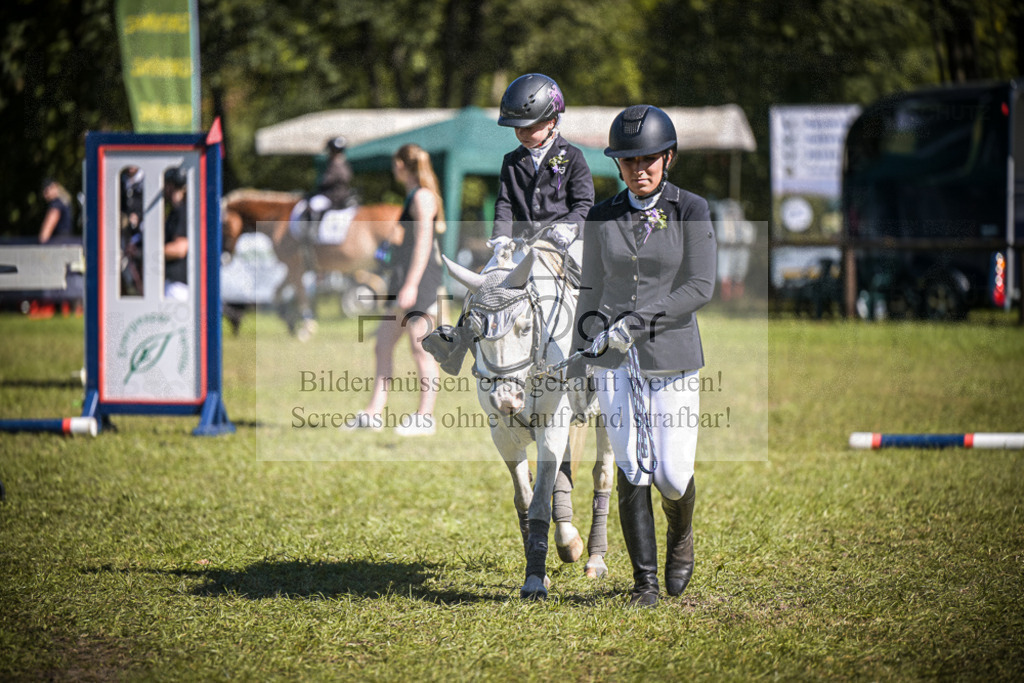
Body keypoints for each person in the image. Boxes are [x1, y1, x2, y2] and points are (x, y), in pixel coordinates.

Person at [569, 104, 717, 607]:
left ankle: (681, 532)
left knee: (672, 474)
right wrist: (580, 353)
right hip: (613, 361)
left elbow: (700, 285)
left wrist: (632, 325)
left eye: (649, 158)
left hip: (672, 354)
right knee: (632, 465)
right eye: (629, 161)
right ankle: (645, 583)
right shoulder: (601, 215)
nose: (639, 169)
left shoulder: (690, 210)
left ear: (668, 157)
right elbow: (590, 292)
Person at [423, 73, 594, 376]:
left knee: (589, 283)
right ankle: (457, 343)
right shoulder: (512, 161)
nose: (523, 133)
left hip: (564, 242)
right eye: (518, 128)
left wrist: (569, 227)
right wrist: (500, 239)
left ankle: (590, 346)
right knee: (484, 281)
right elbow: (504, 203)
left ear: (553, 120)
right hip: (525, 244)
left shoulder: (573, 157)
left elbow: (584, 202)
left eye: (530, 127)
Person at [344, 143, 445, 437]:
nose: (393, 169)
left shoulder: (424, 198)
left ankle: (424, 417)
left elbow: (425, 243)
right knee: (383, 344)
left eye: (395, 164)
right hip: (404, 279)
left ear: (402, 164)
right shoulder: (414, 195)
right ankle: (373, 413)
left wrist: (412, 284)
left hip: (420, 280)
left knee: (420, 348)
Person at [163, 167, 189, 302]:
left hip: (178, 286)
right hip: (175, 283)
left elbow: (180, 249)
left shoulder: (183, 211)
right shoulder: (176, 212)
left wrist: (147, 253)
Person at [38, 178, 73, 243]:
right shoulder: (65, 201)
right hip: (66, 241)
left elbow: (45, 234)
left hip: (57, 243)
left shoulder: (56, 204)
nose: (45, 195)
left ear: (54, 187)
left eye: (46, 191)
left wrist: (41, 243)